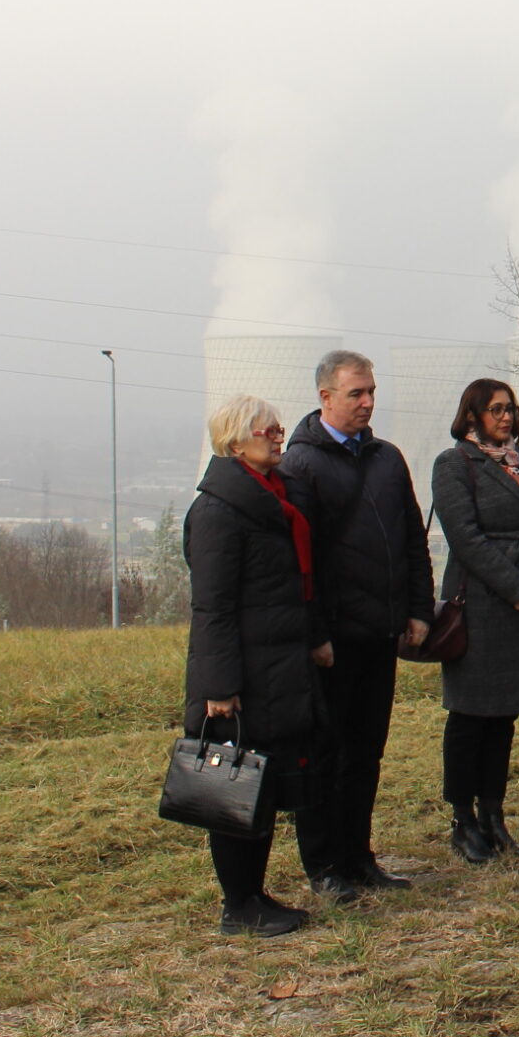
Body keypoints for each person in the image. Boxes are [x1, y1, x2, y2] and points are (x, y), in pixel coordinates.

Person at [282, 348, 435, 899]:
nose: (368, 402)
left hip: (380, 631)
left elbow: (412, 539)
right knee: (326, 753)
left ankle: (359, 856)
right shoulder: (302, 464)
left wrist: (420, 609)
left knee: (366, 751)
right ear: (325, 398)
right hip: (333, 641)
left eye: (371, 392)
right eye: (356, 394)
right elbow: (303, 562)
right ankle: (324, 866)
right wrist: (316, 633)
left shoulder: (387, 458)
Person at [183, 393, 331, 936]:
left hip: (278, 667)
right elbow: (212, 607)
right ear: (235, 440)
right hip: (241, 677)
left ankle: (256, 894)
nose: (278, 436)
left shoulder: (273, 497)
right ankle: (238, 905)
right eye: (267, 430)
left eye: (278, 429)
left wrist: (314, 639)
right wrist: (218, 686)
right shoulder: (219, 511)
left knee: (264, 785)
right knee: (236, 789)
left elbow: (296, 584)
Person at [431, 378, 519, 862]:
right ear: (472, 416)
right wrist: (516, 589)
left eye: (510, 409)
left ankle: (494, 816)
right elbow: (465, 537)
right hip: (482, 605)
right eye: (495, 410)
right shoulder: (454, 464)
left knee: (504, 718)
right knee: (470, 717)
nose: (506, 417)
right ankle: (462, 821)